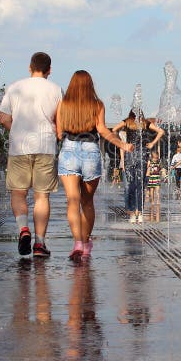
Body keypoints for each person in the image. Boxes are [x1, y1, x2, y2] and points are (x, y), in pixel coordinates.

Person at [56, 70, 133, 261]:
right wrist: (122, 144)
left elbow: (59, 134)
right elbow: (102, 130)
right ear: (90, 85)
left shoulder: (62, 105)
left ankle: (78, 243)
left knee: (72, 201)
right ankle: (86, 241)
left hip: (68, 150)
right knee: (87, 202)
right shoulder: (97, 104)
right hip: (90, 150)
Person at [0, 52, 63, 257]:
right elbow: (60, 124)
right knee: (42, 196)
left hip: (19, 147)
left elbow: (3, 118)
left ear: (29, 67)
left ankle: (23, 229)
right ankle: (40, 243)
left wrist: (15, 131)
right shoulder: (56, 90)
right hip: (45, 146)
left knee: (18, 192)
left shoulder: (15, 88)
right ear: (49, 70)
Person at [112, 110, 164, 223]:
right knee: (140, 186)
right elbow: (161, 131)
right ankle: (139, 214)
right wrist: (152, 143)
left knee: (131, 184)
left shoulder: (127, 122)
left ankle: (132, 214)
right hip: (142, 154)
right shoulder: (145, 123)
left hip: (130, 154)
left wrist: (122, 144)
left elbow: (113, 130)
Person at [145, 150, 162, 221]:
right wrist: (148, 174)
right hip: (151, 177)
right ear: (152, 157)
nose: (155, 159)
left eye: (156, 158)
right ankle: (152, 201)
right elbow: (148, 169)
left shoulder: (159, 162)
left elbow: (160, 169)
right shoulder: (150, 162)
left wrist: (160, 171)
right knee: (151, 190)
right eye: (154, 158)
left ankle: (157, 200)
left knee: (157, 190)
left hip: (157, 177)